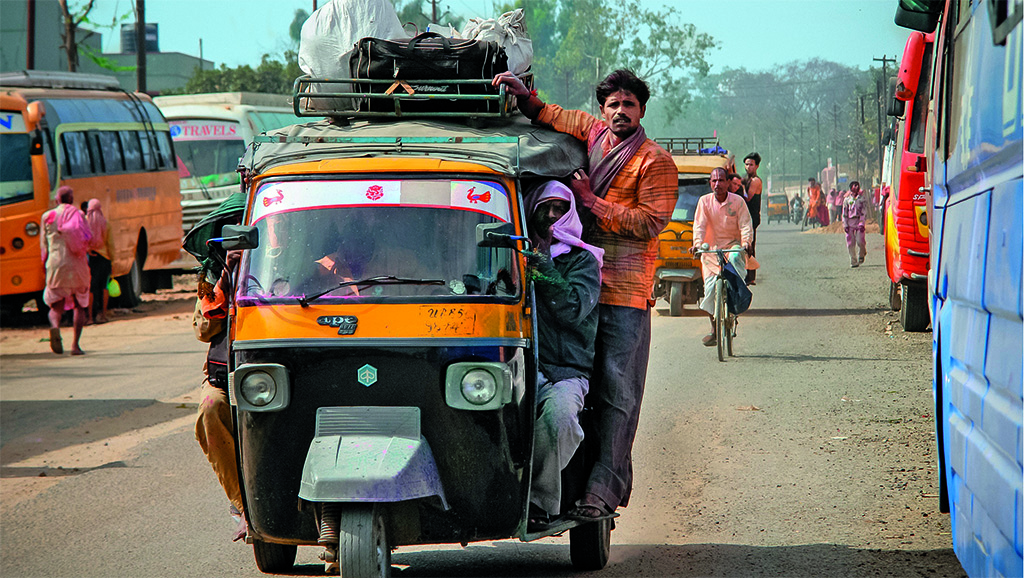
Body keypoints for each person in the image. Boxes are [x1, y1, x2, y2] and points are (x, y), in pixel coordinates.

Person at [492, 69, 677, 520]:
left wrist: (590, 202)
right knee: (568, 384)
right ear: (602, 111)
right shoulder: (593, 134)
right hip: (576, 275)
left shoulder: (655, 162)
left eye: (628, 104)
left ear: (642, 111)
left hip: (622, 291)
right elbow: (555, 116)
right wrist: (526, 99)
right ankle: (560, 483)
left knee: (616, 393)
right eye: (612, 105)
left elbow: (650, 223)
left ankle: (603, 489)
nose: (619, 112)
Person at [523, 181, 603, 530]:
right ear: (533, 211)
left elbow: (573, 309)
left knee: (560, 421)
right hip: (521, 367)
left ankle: (536, 502)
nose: (553, 216)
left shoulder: (583, 260)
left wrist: (546, 271)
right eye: (546, 208)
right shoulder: (516, 254)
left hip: (566, 372)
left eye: (560, 209)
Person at [690, 167, 754, 345]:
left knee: (734, 261)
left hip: (732, 247)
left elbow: (746, 225)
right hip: (710, 251)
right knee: (709, 290)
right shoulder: (704, 202)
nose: (717, 184)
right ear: (710, 183)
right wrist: (696, 244)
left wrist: (746, 243)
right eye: (714, 181)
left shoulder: (738, 202)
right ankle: (714, 329)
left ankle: (735, 300)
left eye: (721, 180)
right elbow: (699, 226)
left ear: (727, 182)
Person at [41, 186, 92, 355]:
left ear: (57, 200)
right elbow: (87, 238)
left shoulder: (47, 217)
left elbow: (44, 246)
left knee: (56, 306)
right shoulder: (79, 215)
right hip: (77, 265)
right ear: (71, 199)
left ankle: (55, 327)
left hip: (55, 264)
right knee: (79, 305)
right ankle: (75, 346)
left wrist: (44, 265)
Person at [84, 199, 114, 324]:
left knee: (91, 288)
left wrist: (88, 249)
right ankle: (103, 315)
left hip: (90, 259)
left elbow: (81, 240)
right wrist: (112, 259)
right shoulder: (106, 223)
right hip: (104, 258)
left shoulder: (84, 222)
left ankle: (90, 317)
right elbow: (110, 244)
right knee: (104, 287)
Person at [741, 153, 763, 285]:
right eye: (747, 164)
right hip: (746, 217)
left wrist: (741, 187)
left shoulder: (755, 181)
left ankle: (751, 276)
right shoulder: (747, 179)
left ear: (757, 166)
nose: (748, 167)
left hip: (752, 217)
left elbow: (748, 198)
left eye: (751, 165)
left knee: (749, 246)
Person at [842, 181, 869, 267]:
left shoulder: (862, 199)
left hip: (858, 222)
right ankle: (853, 261)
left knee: (860, 241)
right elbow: (844, 213)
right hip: (850, 222)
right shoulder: (846, 200)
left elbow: (864, 212)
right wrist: (845, 224)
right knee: (850, 243)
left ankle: (862, 253)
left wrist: (862, 223)